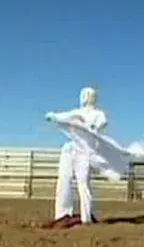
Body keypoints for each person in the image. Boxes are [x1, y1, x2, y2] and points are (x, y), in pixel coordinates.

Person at [44, 87, 127, 228]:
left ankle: (86, 217)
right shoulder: (76, 113)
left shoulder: (98, 114)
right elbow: (64, 116)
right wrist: (53, 116)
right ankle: (63, 214)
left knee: (83, 183)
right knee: (64, 180)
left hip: (85, 151)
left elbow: (101, 124)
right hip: (71, 149)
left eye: (86, 95)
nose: (84, 97)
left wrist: (91, 126)